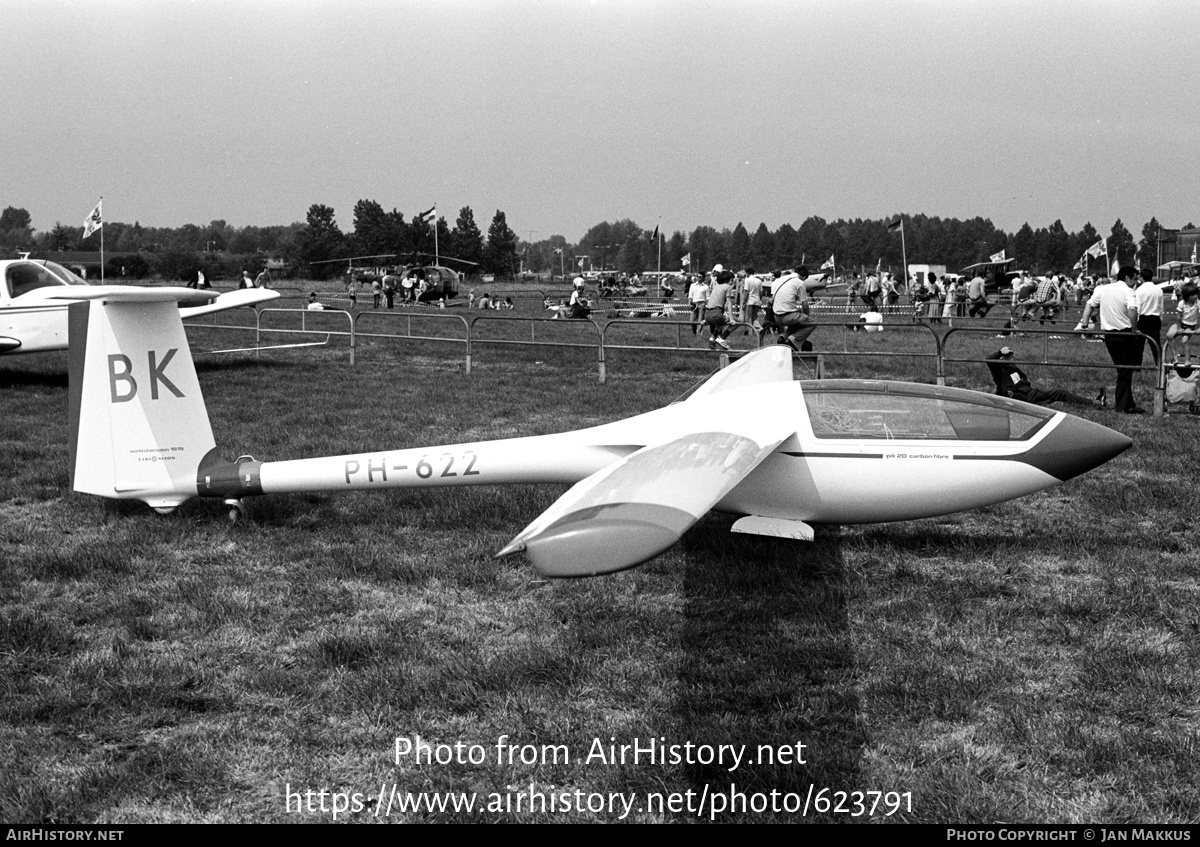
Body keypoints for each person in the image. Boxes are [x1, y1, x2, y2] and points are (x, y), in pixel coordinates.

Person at [1076, 265, 1145, 414]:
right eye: (1134, 279)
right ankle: (1121, 406)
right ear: (1127, 277)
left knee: (1124, 370)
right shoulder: (1129, 291)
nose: (1135, 283)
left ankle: (1129, 403)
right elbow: (1132, 310)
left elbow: (1089, 305)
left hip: (1109, 336)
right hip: (1125, 335)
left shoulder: (1103, 289)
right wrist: (1135, 329)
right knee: (1124, 372)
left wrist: (1085, 324)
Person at [986, 347, 1104, 408]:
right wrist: (999, 352)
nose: (1009, 358)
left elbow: (1022, 380)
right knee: (1056, 395)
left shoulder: (1012, 366)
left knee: (1059, 394)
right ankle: (1095, 403)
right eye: (1007, 356)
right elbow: (988, 360)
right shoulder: (998, 367)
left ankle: (1094, 403)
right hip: (1018, 396)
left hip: (1028, 393)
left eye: (1010, 356)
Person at [771, 265, 818, 352]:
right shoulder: (799, 282)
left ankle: (783, 337)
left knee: (796, 323)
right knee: (811, 323)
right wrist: (806, 316)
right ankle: (792, 341)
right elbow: (805, 305)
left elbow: (772, 300)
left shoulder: (781, 279)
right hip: (788, 316)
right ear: (803, 276)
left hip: (777, 317)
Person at [1134, 267, 1164, 365]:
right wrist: (1160, 319)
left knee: (1138, 344)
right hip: (1155, 318)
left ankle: (1136, 366)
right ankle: (1159, 364)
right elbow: (1161, 308)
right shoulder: (1158, 289)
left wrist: (1136, 322)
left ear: (1142, 278)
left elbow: (1137, 307)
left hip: (1143, 318)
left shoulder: (1139, 290)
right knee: (1156, 344)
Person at [703, 269, 735, 350]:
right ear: (726, 280)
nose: (733, 282)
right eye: (732, 280)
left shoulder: (716, 287)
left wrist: (705, 319)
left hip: (708, 315)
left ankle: (712, 337)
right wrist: (731, 319)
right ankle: (722, 338)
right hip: (716, 314)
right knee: (738, 321)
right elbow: (729, 303)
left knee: (722, 321)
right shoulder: (728, 287)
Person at [1170, 282, 1199, 364]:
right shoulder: (1182, 303)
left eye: (1196, 294)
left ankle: (1187, 360)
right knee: (1169, 335)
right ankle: (1175, 357)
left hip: (1190, 325)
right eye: (1192, 295)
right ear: (1186, 296)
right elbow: (1178, 316)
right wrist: (1178, 328)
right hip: (1181, 323)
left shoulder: (1198, 303)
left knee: (1184, 340)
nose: (1195, 296)